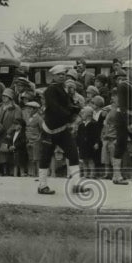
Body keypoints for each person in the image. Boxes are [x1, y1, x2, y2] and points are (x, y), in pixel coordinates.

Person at [36, 64, 88, 194]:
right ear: (53, 76)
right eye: (59, 74)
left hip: (62, 129)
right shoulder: (50, 91)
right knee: (46, 157)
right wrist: (72, 113)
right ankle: (42, 186)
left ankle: (76, 184)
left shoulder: (65, 89)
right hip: (50, 130)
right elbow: (56, 109)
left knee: (73, 154)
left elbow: (70, 105)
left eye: (63, 74)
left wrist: (76, 107)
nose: (61, 76)